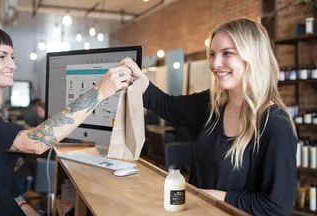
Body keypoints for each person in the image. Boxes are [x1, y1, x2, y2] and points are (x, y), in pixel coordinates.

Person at [0, 22, 132, 216]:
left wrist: (25, 208)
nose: (12, 65)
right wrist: (100, 91)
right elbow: (36, 143)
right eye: (1, 57)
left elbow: (5, 185)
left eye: (12, 57)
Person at [120, 18, 297, 215]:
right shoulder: (210, 105)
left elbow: (276, 207)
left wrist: (207, 196)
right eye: (212, 54)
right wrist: (138, 78)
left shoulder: (275, 124)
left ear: (252, 57)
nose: (215, 63)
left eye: (227, 53)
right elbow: (166, 104)